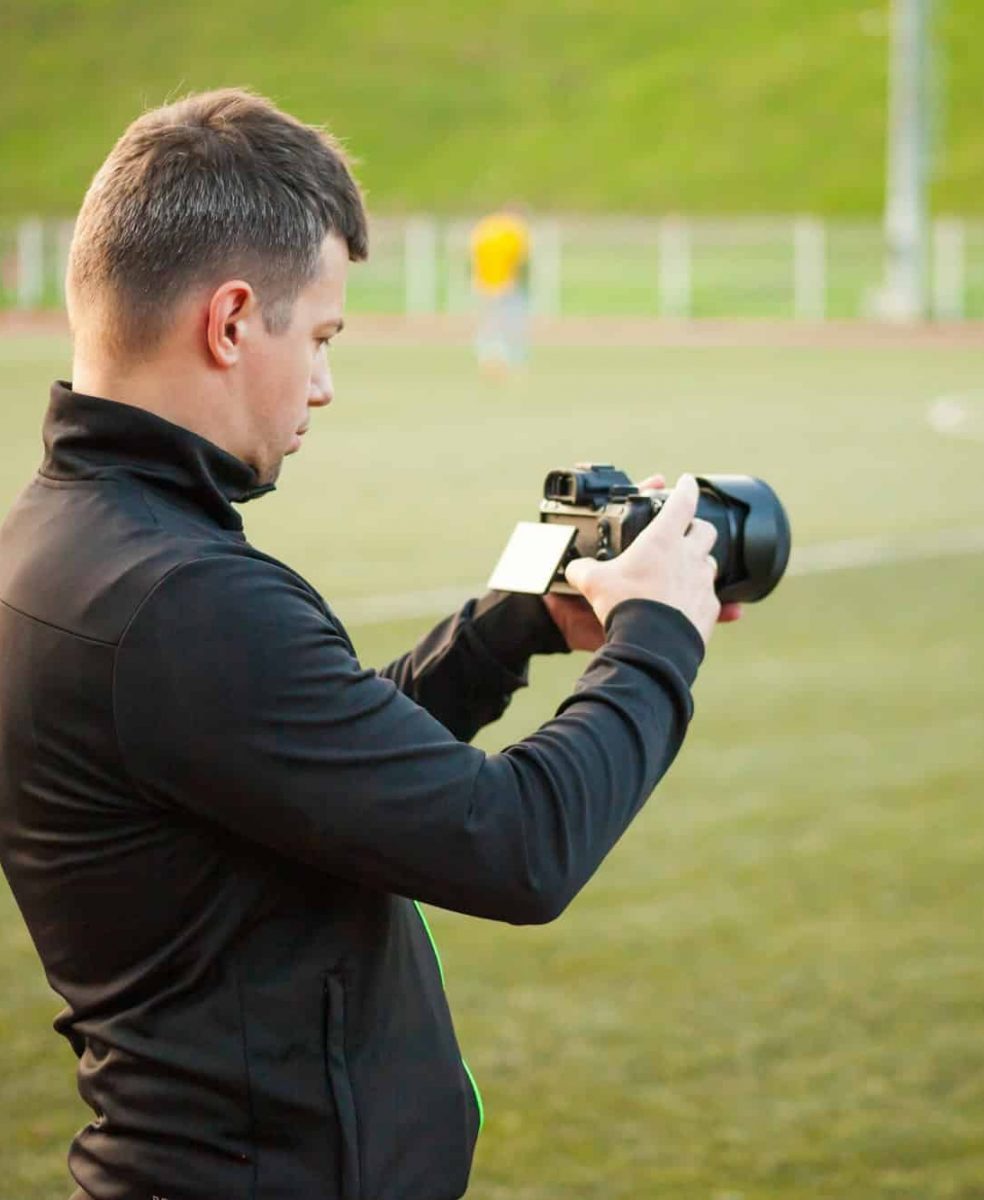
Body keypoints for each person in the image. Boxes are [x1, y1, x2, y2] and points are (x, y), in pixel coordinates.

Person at [0, 90, 739, 1200]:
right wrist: (659, 639)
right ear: (232, 321)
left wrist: (512, 624)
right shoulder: (180, 600)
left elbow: (310, 763)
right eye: (321, 339)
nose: (325, 386)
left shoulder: (67, 543)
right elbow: (514, 843)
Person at [469, 204, 531, 376]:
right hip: (506, 284)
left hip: (482, 283)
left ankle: (487, 358)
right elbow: (519, 261)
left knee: (488, 323)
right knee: (510, 323)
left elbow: (473, 254)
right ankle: (509, 360)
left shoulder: (485, 226)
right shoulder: (514, 232)